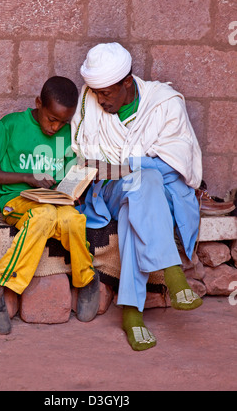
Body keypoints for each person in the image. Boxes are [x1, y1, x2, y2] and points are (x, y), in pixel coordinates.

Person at [71, 42, 204, 351]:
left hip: (159, 194)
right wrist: (137, 166)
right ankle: (173, 275)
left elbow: (177, 163)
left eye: (107, 93)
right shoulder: (89, 100)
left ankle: (132, 313)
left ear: (127, 82)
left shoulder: (164, 103)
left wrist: (128, 165)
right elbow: (87, 163)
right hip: (110, 193)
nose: (100, 100)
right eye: (96, 92)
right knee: (145, 178)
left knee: (143, 191)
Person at [0, 76, 99, 335]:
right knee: (42, 216)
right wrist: (25, 178)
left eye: (63, 122)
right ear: (38, 104)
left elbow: (73, 171)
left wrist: (73, 188)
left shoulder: (70, 133)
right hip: (17, 200)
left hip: (53, 201)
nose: (55, 127)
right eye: (51, 119)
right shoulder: (11, 124)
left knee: (73, 219)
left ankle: (87, 280)